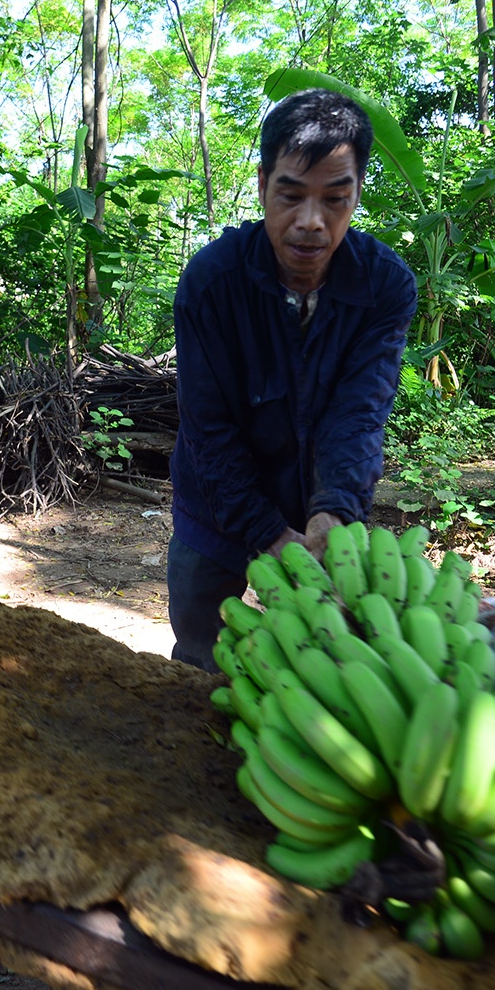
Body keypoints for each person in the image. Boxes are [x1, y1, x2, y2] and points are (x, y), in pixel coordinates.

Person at [167, 89, 418, 671]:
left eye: (335, 198)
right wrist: (264, 531)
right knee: (200, 655)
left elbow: (359, 414)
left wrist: (334, 510)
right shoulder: (212, 282)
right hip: (215, 508)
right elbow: (209, 426)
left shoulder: (384, 287)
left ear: (356, 194)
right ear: (262, 185)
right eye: (291, 195)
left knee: (332, 659)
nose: (311, 222)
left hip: (322, 508)